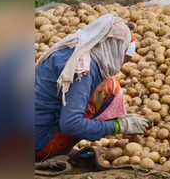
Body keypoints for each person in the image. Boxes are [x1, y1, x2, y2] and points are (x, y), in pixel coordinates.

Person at [35, 14, 149, 162]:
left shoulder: (70, 48)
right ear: (113, 47)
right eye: (123, 59)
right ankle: (53, 150)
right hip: (37, 145)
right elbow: (70, 124)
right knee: (109, 87)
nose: (121, 66)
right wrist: (119, 126)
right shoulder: (83, 69)